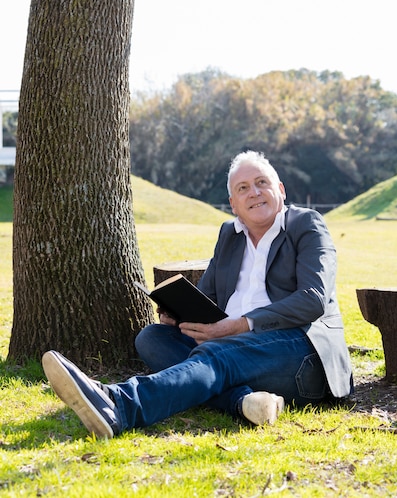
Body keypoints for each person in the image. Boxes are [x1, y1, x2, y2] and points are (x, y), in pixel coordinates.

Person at [42, 150, 353, 438]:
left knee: (216, 354)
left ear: (280, 190)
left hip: (299, 353)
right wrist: (180, 314)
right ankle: (244, 404)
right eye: (243, 188)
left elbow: (313, 299)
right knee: (153, 338)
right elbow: (208, 297)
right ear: (234, 203)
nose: (254, 193)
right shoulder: (229, 236)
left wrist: (238, 325)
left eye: (261, 183)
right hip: (232, 347)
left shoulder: (306, 224)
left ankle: (119, 405)